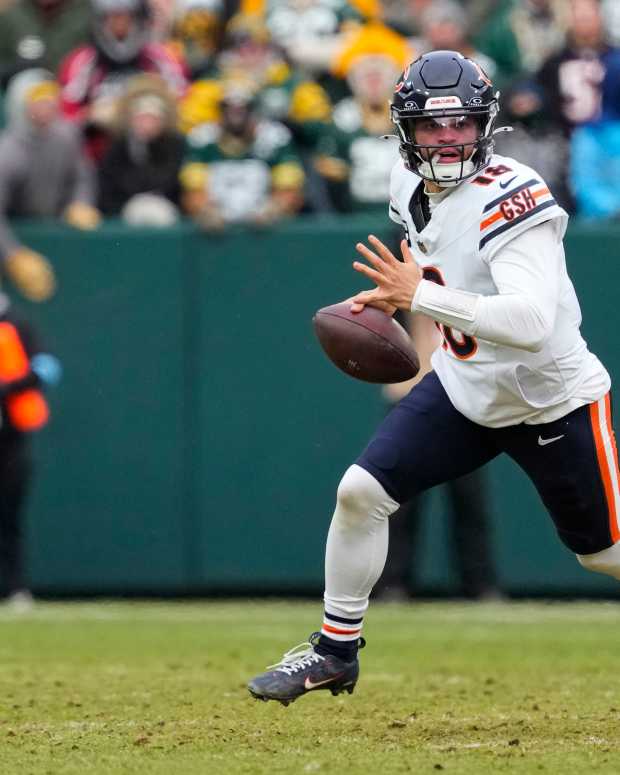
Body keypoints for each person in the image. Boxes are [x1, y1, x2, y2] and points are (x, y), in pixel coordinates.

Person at [247, 50, 618, 706]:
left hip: (548, 396)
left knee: (604, 554)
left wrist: (419, 294)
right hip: (468, 385)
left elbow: (530, 320)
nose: (447, 138)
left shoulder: (515, 193)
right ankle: (334, 652)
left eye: (460, 123)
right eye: (431, 126)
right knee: (360, 492)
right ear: (405, 130)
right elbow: (440, 272)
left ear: (486, 123)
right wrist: (406, 297)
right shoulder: (404, 183)